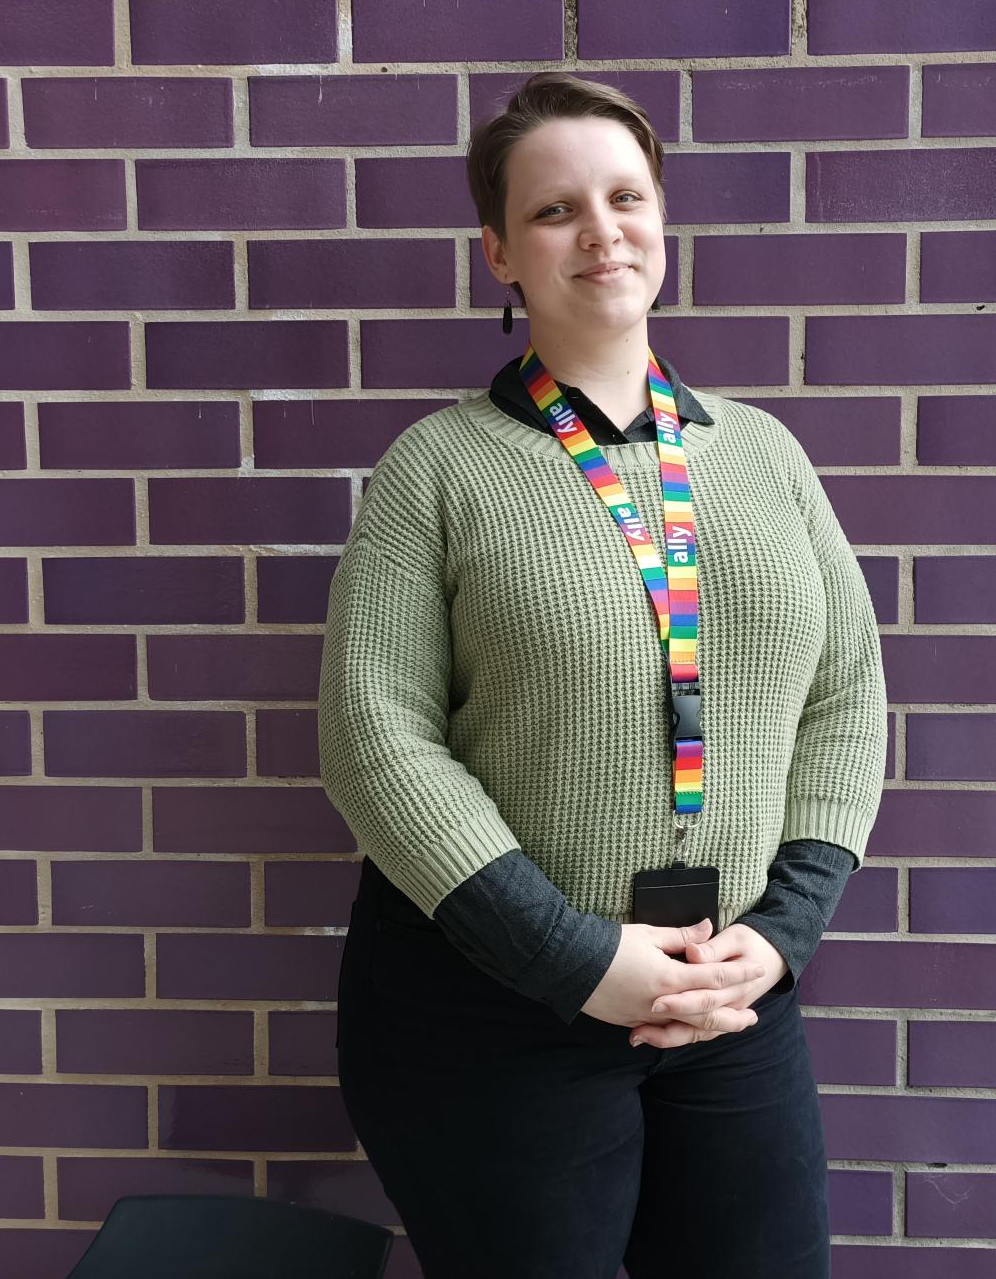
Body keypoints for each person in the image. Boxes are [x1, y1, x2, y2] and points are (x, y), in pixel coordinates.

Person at [317, 71, 887, 1277]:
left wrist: (782, 932)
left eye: (625, 196)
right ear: (498, 252)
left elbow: (845, 694)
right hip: (490, 1013)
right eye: (553, 210)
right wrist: (576, 961)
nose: (600, 230)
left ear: (663, 223)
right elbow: (376, 742)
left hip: (723, 998)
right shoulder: (436, 470)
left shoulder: (762, 455)